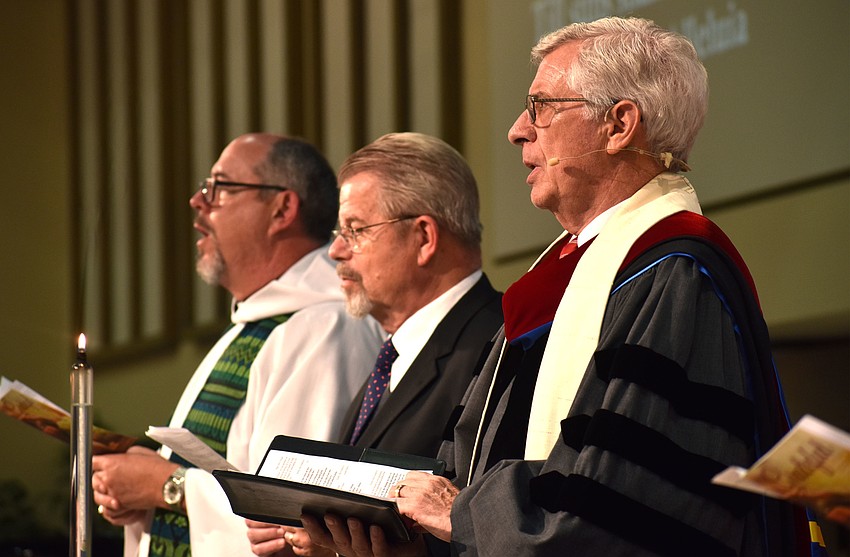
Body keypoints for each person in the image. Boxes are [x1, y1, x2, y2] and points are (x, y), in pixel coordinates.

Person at [301, 17, 822, 557]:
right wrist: (414, 542)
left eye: (541, 107)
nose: (517, 130)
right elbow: (469, 469)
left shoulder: (676, 275)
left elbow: (619, 501)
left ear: (619, 126)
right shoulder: (559, 278)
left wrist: (461, 514)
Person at [91, 133, 384, 557]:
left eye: (219, 187)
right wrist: (139, 499)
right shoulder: (250, 325)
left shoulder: (328, 325)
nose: (197, 201)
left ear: (282, 208)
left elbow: (293, 510)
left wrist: (165, 487)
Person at [245, 132, 503, 557]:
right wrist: (299, 532)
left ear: (423, 237)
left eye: (356, 230)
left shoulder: (503, 344)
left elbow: (492, 525)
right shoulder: (390, 359)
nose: (336, 251)